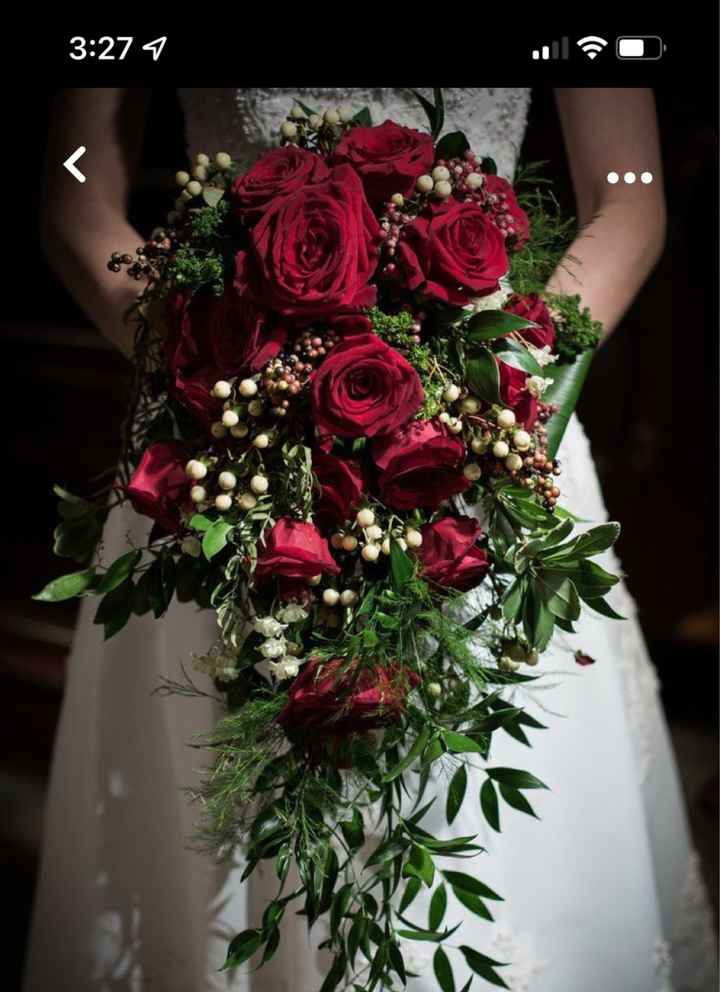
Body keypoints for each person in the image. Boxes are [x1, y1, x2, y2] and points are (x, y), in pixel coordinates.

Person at [23, 87, 717, 991]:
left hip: (478, 424)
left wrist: (485, 386)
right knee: (217, 803)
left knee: (463, 782)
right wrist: (212, 362)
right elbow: (77, 189)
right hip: (224, 436)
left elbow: (628, 194)